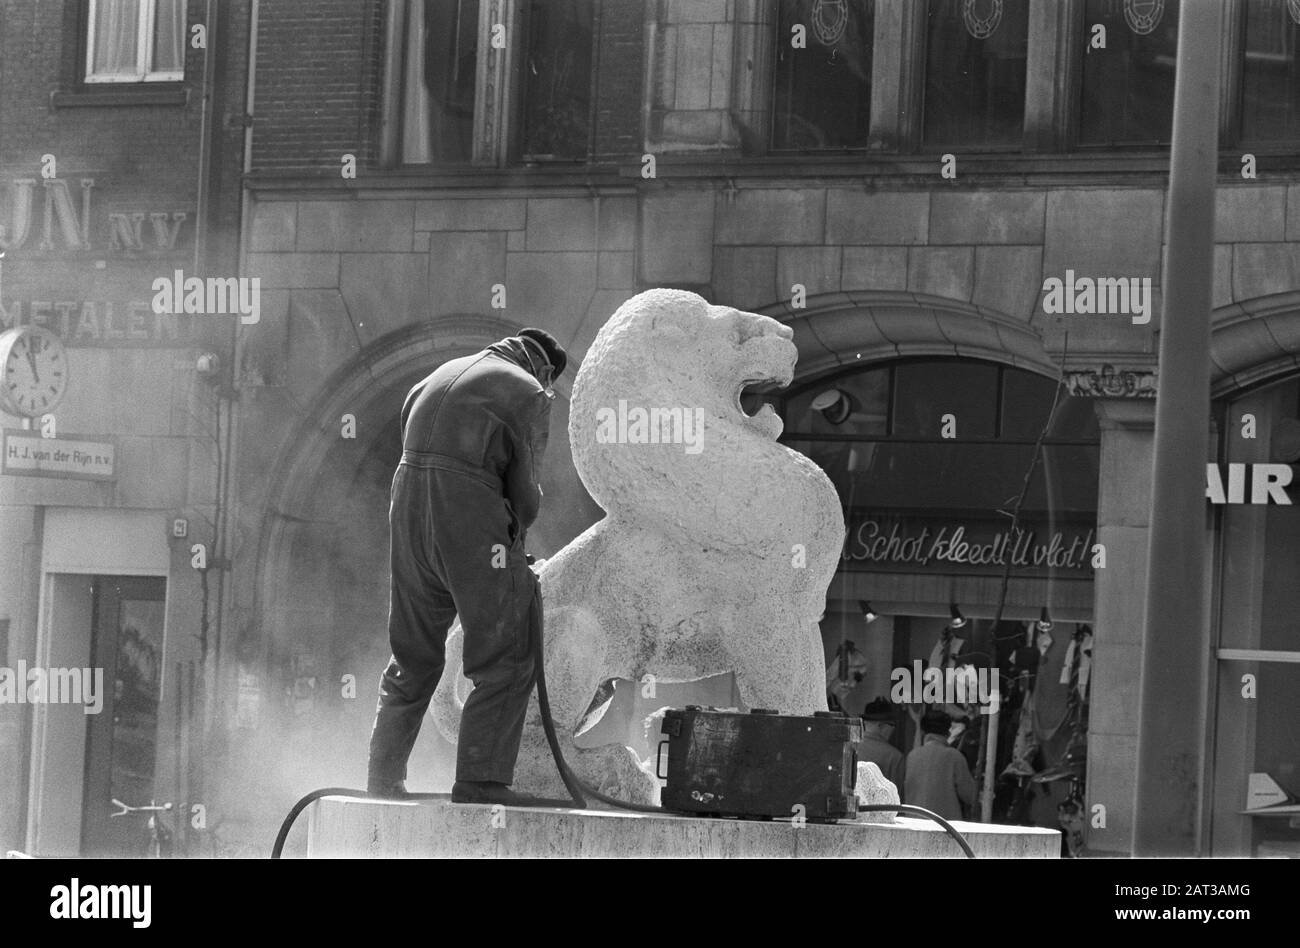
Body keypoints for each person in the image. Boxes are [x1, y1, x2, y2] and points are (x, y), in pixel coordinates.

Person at [365, 327, 568, 805]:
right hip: (465, 518)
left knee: (413, 653)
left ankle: (383, 778)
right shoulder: (528, 392)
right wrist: (512, 550)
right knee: (506, 653)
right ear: (544, 370)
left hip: (409, 513)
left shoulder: (435, 376)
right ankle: (481, 781)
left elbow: (416, 456)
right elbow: (525, 494)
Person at [903, 709, 976, 820]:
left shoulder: (912, 756)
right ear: (948, 732)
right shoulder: (954, 756)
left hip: (914, 823)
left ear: (923, 732)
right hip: (945, 827)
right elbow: (970, 796)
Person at [855, 697, 904, 789]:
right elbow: (897, 795)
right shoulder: (894, 756)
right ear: (881, 726)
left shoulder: (850, 747)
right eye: (892, 725)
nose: (893, 729)